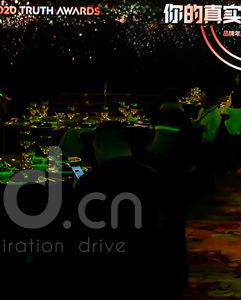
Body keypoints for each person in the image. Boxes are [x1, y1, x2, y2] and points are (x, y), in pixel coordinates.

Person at [70, 121, 187, 297]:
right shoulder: (156, 177)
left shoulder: (90, 182)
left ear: (99, 147)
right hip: (155, 271)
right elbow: (173, 232)